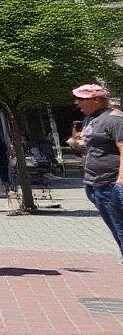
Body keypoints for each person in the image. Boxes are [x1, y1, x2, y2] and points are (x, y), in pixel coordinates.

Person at [66, 84, 123, 261]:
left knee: (121, 229)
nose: (78, 104)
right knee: (116, 230)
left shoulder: (115, 120)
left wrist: (120, 181)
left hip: (111, 184)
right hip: (94, 184)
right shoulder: (90, 119)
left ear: (96, 100)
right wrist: (75, 140)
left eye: (81, 100)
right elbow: (85, 147)